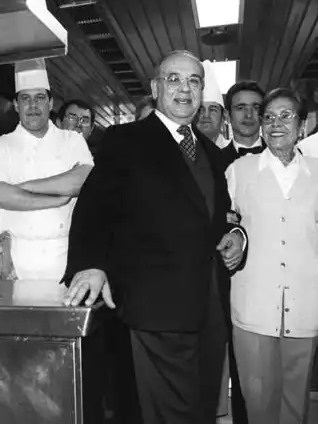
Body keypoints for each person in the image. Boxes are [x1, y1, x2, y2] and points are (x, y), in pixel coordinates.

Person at [62, 50, 246, 424]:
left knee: (201, 406)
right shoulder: (126, 140)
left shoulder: (211, 153)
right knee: (168, 413)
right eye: (174, 79)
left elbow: (216, 216)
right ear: (155, 87)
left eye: (194, 81)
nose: (184, 88)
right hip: (155, 305)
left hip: (209, 306)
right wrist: (92, 263)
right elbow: (94, 208)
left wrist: (235, 235)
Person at [226, 88, 318, 424]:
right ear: (262, 127)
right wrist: (234, 234)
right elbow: (222, 222)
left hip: (307, 304)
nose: (275, 123)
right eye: (269, 117)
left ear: (302, 125)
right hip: (254, 306)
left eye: (285, 116)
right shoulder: (240, 171)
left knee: (297, 401)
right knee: (258, 401)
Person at [0, 58, 94, 282]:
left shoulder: (72, 140)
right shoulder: (1, 145)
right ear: (16, 104)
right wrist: (58, 197)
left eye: (39, 98)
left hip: (66, 255)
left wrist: (20, 190)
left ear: (50, 104)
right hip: (16, 260)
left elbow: (83, 180)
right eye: (25, 99)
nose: (32, 106)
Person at [221, 81, 266, 164]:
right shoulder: (214, 161)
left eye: (256, 107)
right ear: (227, 116)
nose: (249, 115)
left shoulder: (281, 156)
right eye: (240, 108)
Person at [195, 60, 230, 149]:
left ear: (223, 117)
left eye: (213, 110)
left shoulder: (235, 155)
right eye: (200, 110)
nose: (206, 115)